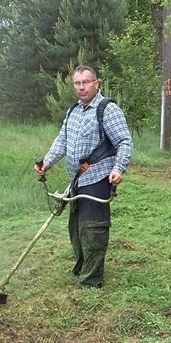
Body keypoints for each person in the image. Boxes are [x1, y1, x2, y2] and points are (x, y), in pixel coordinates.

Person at [35, 65, 133, 288]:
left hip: (98, 178)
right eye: (77, 83)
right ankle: (82, 266)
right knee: (76, 228)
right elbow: (62, 141)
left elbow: (124, 142)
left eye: (86, 82)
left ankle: (92, 279)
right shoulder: (73, 112)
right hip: (77, 181)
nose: (81, 87)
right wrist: (47, 162)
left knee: (93, 229)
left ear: (96, 83)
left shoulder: (107, 110)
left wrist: (119, 168)